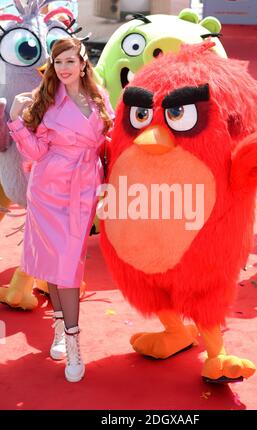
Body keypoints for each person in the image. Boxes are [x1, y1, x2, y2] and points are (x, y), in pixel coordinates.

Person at [8, 38, 114, 382]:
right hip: (49, 187)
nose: (64, 68)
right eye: (58, 63)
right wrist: (16, 122)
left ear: (83, 63)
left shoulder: (100, 98)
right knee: (59, 267)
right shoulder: (45, 101)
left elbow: (106, 141)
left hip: (83, 190)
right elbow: (36, 152)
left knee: (67, 263)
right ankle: (70, 339)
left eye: (70, 61)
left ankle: (61, 329)